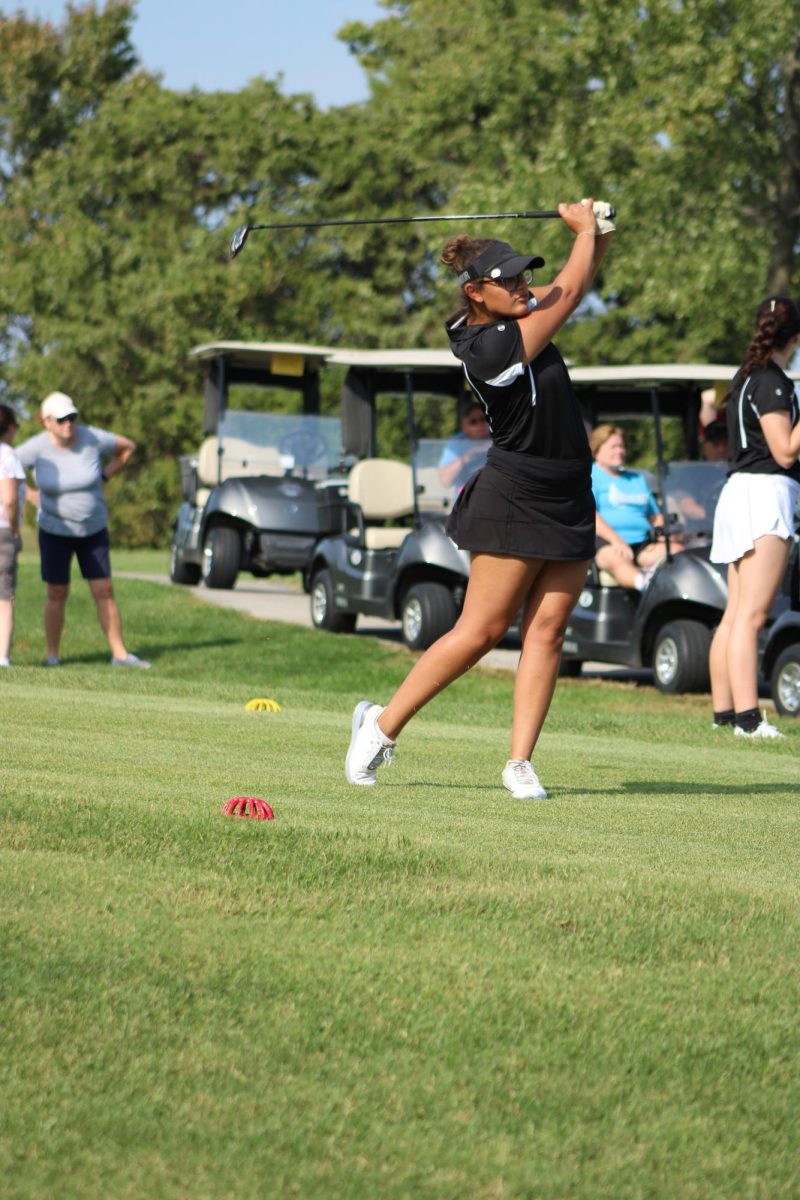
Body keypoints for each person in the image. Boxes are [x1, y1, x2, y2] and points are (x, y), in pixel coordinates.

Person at [345, 197, 615, 799]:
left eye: (524, 275)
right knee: (482, 630)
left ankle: (519, 762)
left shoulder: (512, 313)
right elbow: (567, 295)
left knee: (547, 631)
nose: (523, 286)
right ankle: (380, 728)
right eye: (510, 279)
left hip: (569, 491)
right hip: (515, 492)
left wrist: (599, 234)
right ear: (475, 293)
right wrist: (582, 234)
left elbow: (573, 279)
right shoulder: (488, 348)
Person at [708, 296, 800, 740]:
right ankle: (748, 719)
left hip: (738, 492)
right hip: (765, 493)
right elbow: (784, 450)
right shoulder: (772, 381)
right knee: (751, 615)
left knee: (735, 614)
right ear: (795, 339)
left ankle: (724, 713)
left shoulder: (746, 375)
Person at [16, 391, 150, 668]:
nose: (69, 423)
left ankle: (120, 655)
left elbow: (128, 447)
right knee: (56, 591)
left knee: (104, 589)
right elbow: (6, 469)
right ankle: (52, 656)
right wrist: (29, 495)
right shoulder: (35, 448)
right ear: (47, 421)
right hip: (54, 531)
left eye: (72, 417)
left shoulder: (91, 437)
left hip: (93, 529)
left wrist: (104, 476)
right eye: (62, 419)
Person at [590, 424, 672, 590]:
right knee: (617, 559)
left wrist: (663, 536)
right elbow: (590, 515)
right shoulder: (590, 476)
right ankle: (647, 586)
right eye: (613, 447)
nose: (619, 451)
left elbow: (655, 516)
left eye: (621, 446)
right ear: (597, 450)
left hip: (642, 542)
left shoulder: (637, 479)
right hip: (607, 543)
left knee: (678, 553)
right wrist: (617, 541)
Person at [0, 404, 26, 668]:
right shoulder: (7, 455)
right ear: (9, 428)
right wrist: (16, 531)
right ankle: (2, 657)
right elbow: (8, 499)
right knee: (4, 594)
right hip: (2, 530)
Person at [437, 398, 491, 502]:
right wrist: (469, 455)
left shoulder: (499, 438)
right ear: (464, 426)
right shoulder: (456, 443)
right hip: (466, 504)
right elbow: (445, 481)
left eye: (483, 419)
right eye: (473, 422)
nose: (479, 425)